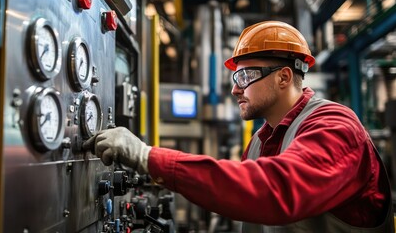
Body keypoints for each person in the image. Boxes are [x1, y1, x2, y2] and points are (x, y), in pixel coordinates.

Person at [83, 21, 394, 232]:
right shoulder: (260, 139)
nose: (235, 89)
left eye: (245, 76)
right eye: (236, 78)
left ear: (283, 77)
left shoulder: (334, 126)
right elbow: (244, 196)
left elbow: (275, 191)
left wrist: (148, 157)